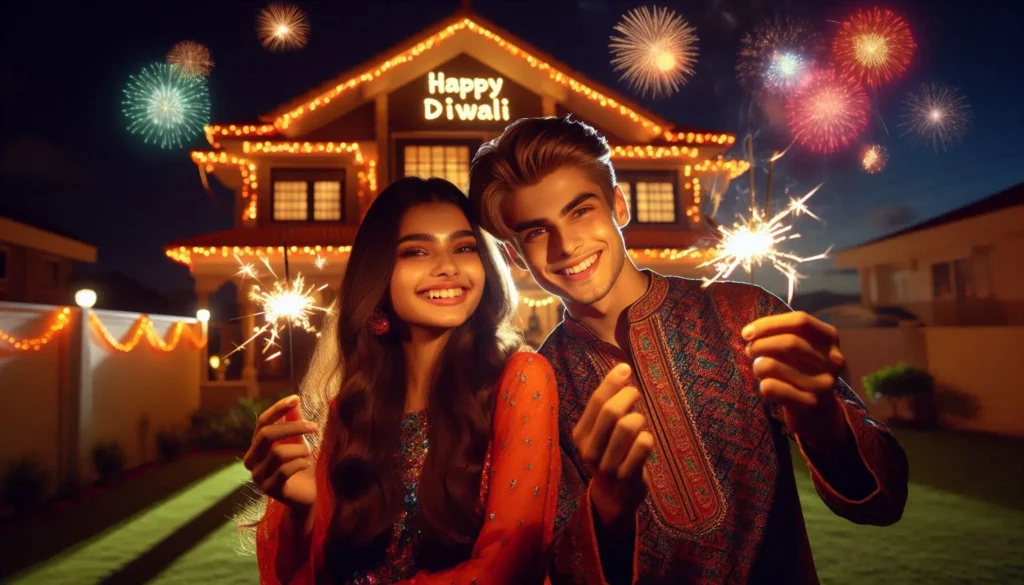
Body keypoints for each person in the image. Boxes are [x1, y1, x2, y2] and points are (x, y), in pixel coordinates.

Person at [468, 116, 909, 584]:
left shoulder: (744, 313)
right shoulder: (542, 385)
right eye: (536, 232)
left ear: (617, 205)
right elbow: (556, 567)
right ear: (516, 256)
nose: (566, 244)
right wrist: (606, 507)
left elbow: (885, 502)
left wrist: (825, 427)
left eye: (581, 211)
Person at [245, 177, 560, 585]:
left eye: (464, 248)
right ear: (379, 275)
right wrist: (305, 506)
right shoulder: (355, 408)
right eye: (416, 251)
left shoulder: (519, 381)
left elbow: (506, 564)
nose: (448, 267)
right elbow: (319, 574)